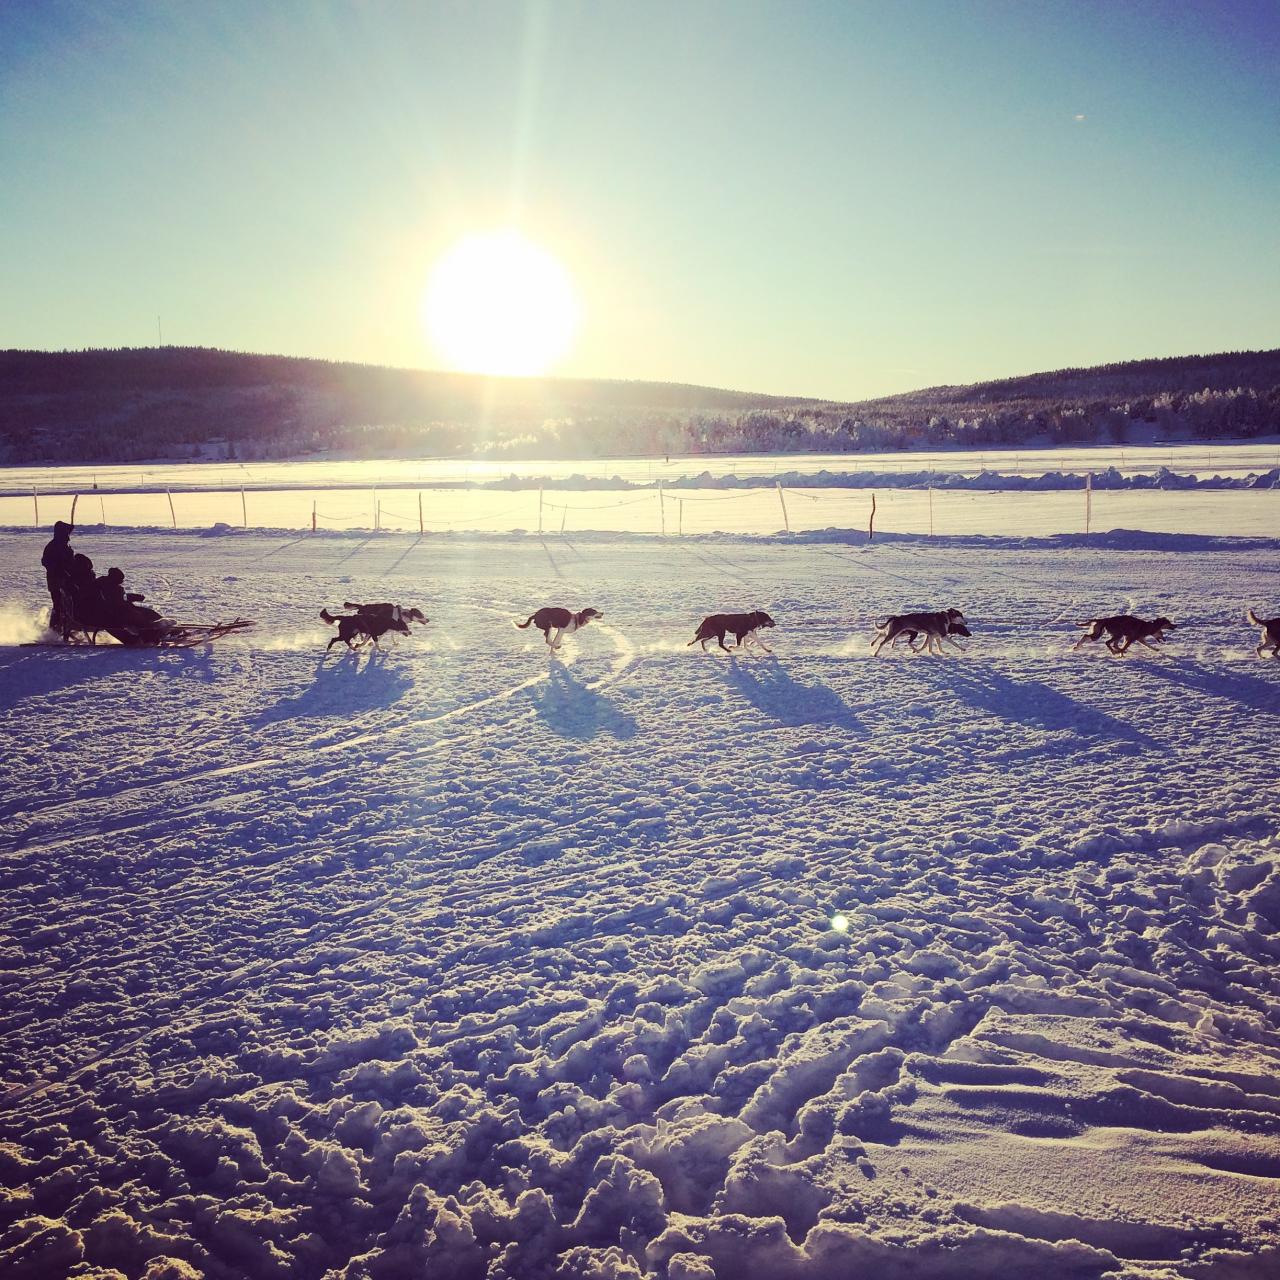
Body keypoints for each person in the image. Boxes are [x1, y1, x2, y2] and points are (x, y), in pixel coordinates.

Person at [41, 521, 75, 632]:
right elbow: (46, 562)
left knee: (70, 604)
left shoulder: (64, 544)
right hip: (55, 581)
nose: (68, 535)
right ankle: (54, 630)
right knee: (58, 604)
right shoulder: (53, 546)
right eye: (65, 532)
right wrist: (59, 569)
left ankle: (67, 625)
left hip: (67, 580)